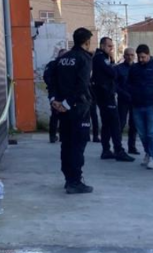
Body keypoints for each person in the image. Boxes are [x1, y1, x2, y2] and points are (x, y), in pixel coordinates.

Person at [50, 28, 95, 194]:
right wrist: (67, 103)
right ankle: (75, 181)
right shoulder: (84, 58)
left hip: (62, 109)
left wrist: (55, 100)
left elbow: (51, 79)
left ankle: (68, 179)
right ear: (87, 42)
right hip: (78, 108)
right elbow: (82, 85)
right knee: (77, 145)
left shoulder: (62, 58)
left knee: (66, 144)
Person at [92, 37, 135, 162]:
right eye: (109, 46)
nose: (111, 48)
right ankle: (118, 150)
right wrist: (112, 63)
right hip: (105, 95)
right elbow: (113, 73)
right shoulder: (100, 58)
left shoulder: (103, 57)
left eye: (112, 46)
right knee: (115, 123)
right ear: (102, 46)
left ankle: (106, 150)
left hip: (104, 94)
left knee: (107, 123)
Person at [115, 47, 139, 155]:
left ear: (134, 56)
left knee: (134, 124)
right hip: (123, 100)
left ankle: (132, 147)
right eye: (127, 55)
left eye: (132, 55)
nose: (130, 57)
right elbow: (115, 85)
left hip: (135, 100)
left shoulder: (138, 68)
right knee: (121, 123)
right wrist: (124, 94)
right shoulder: (118, 68)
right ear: (124, 56)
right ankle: (118, 147)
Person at [43, 49, 67, 143]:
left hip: (59, 93)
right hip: (56, 93)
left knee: (59, 114)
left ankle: (57, 136)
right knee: (57, 114)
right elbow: (46, 77)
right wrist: (52, 86)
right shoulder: (53, 64)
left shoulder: (63, 65)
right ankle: (55, 136)